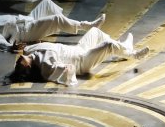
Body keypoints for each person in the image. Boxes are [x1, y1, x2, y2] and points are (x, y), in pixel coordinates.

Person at [12, 27, 149, 86]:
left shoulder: (30, 51)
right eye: (19, 66)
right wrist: (68, 70)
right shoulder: (44, 64)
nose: (17, 62)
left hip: (78, 49)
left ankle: (124, 47)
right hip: (83, 61)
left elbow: (24, 47)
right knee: (108, 45)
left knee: (95, 32)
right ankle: (134, 54)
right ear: (28, 67)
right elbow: (55, 71)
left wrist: (16, 47)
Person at [0, 0, 105, 52]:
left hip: (27, 20)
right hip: (24, 32)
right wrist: (10, 47)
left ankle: (64, 23)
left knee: (47, 3)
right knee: (56, 18)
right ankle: (87, 26)